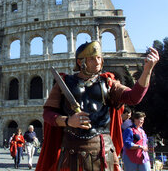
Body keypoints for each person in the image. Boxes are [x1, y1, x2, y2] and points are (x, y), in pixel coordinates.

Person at [36, 41, 159, 171]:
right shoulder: (64, 83)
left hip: (103, 150)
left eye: (99, 58)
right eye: (92, 59)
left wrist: (147, 71)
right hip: (72, 151)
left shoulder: (108, 83)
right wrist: (68, 121)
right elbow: (48, 113)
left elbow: (133, 97)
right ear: (80, 62)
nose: (98, 62)